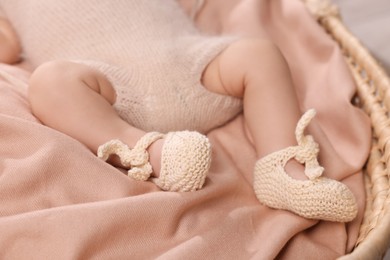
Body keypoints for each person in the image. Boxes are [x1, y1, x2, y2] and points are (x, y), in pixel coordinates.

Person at [0, 0, 357, 222]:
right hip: (108, 85)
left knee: (259, 53)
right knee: (50, 82)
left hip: (191, 65)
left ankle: (283, 168)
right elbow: (7, 47)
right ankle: (147, 151)